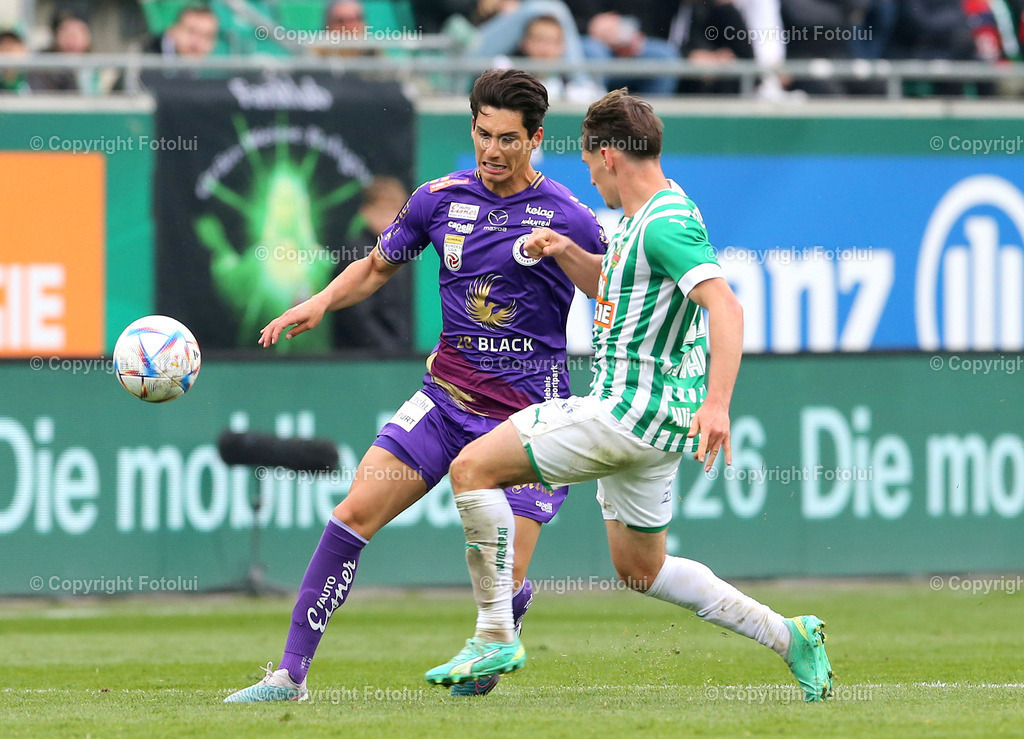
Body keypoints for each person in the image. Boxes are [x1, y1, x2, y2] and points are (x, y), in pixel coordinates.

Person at [426, 89, 834, 702]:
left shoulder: (664, 224)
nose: (591, 178)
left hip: (626, 412)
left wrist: (718, 403)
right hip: (659, 430)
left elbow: (724, 305)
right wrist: (565, 250)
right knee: (642, 570)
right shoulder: (644, 219)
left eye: (591, 163)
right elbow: (614, 285)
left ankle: (494, 632)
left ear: (609, 155)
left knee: (471, 467)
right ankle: (790, 637)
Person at [223, 69, 607, 702]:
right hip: (444, 403)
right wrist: (318, 303)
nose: (491, 151)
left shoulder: (568, 215)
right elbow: (378, 266)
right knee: (351, 516)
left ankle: (506, 615)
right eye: (483, 134)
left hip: (530, 424)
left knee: (500, 573)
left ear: (535, 138)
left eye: (508, 139)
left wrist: (565, 250)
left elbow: (606, 292)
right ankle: (289, 676)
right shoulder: (438, 199)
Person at [145, 4, 219, 58]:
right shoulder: (140, 58)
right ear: (173, 29)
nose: (197, 44)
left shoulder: (218, 74)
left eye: (207, 36)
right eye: (191, 32)